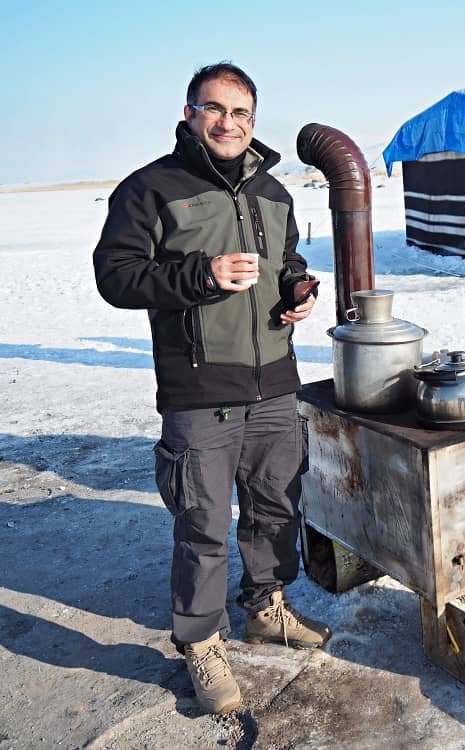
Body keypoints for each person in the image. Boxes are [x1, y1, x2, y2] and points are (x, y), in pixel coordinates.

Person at [93, 62, 331, 714]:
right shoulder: (153, 188)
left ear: (254, 120)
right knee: (202, 525)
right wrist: (200, 275)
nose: (229, 122)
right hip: (200, 389)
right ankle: (200, 643)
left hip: (276, 382)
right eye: (215, 108)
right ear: (192, 112)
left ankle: (267, 607)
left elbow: (288, 266)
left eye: (241, 112)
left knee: (275, 508)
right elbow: (115, 274)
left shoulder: (275, 192)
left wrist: (298, 293)